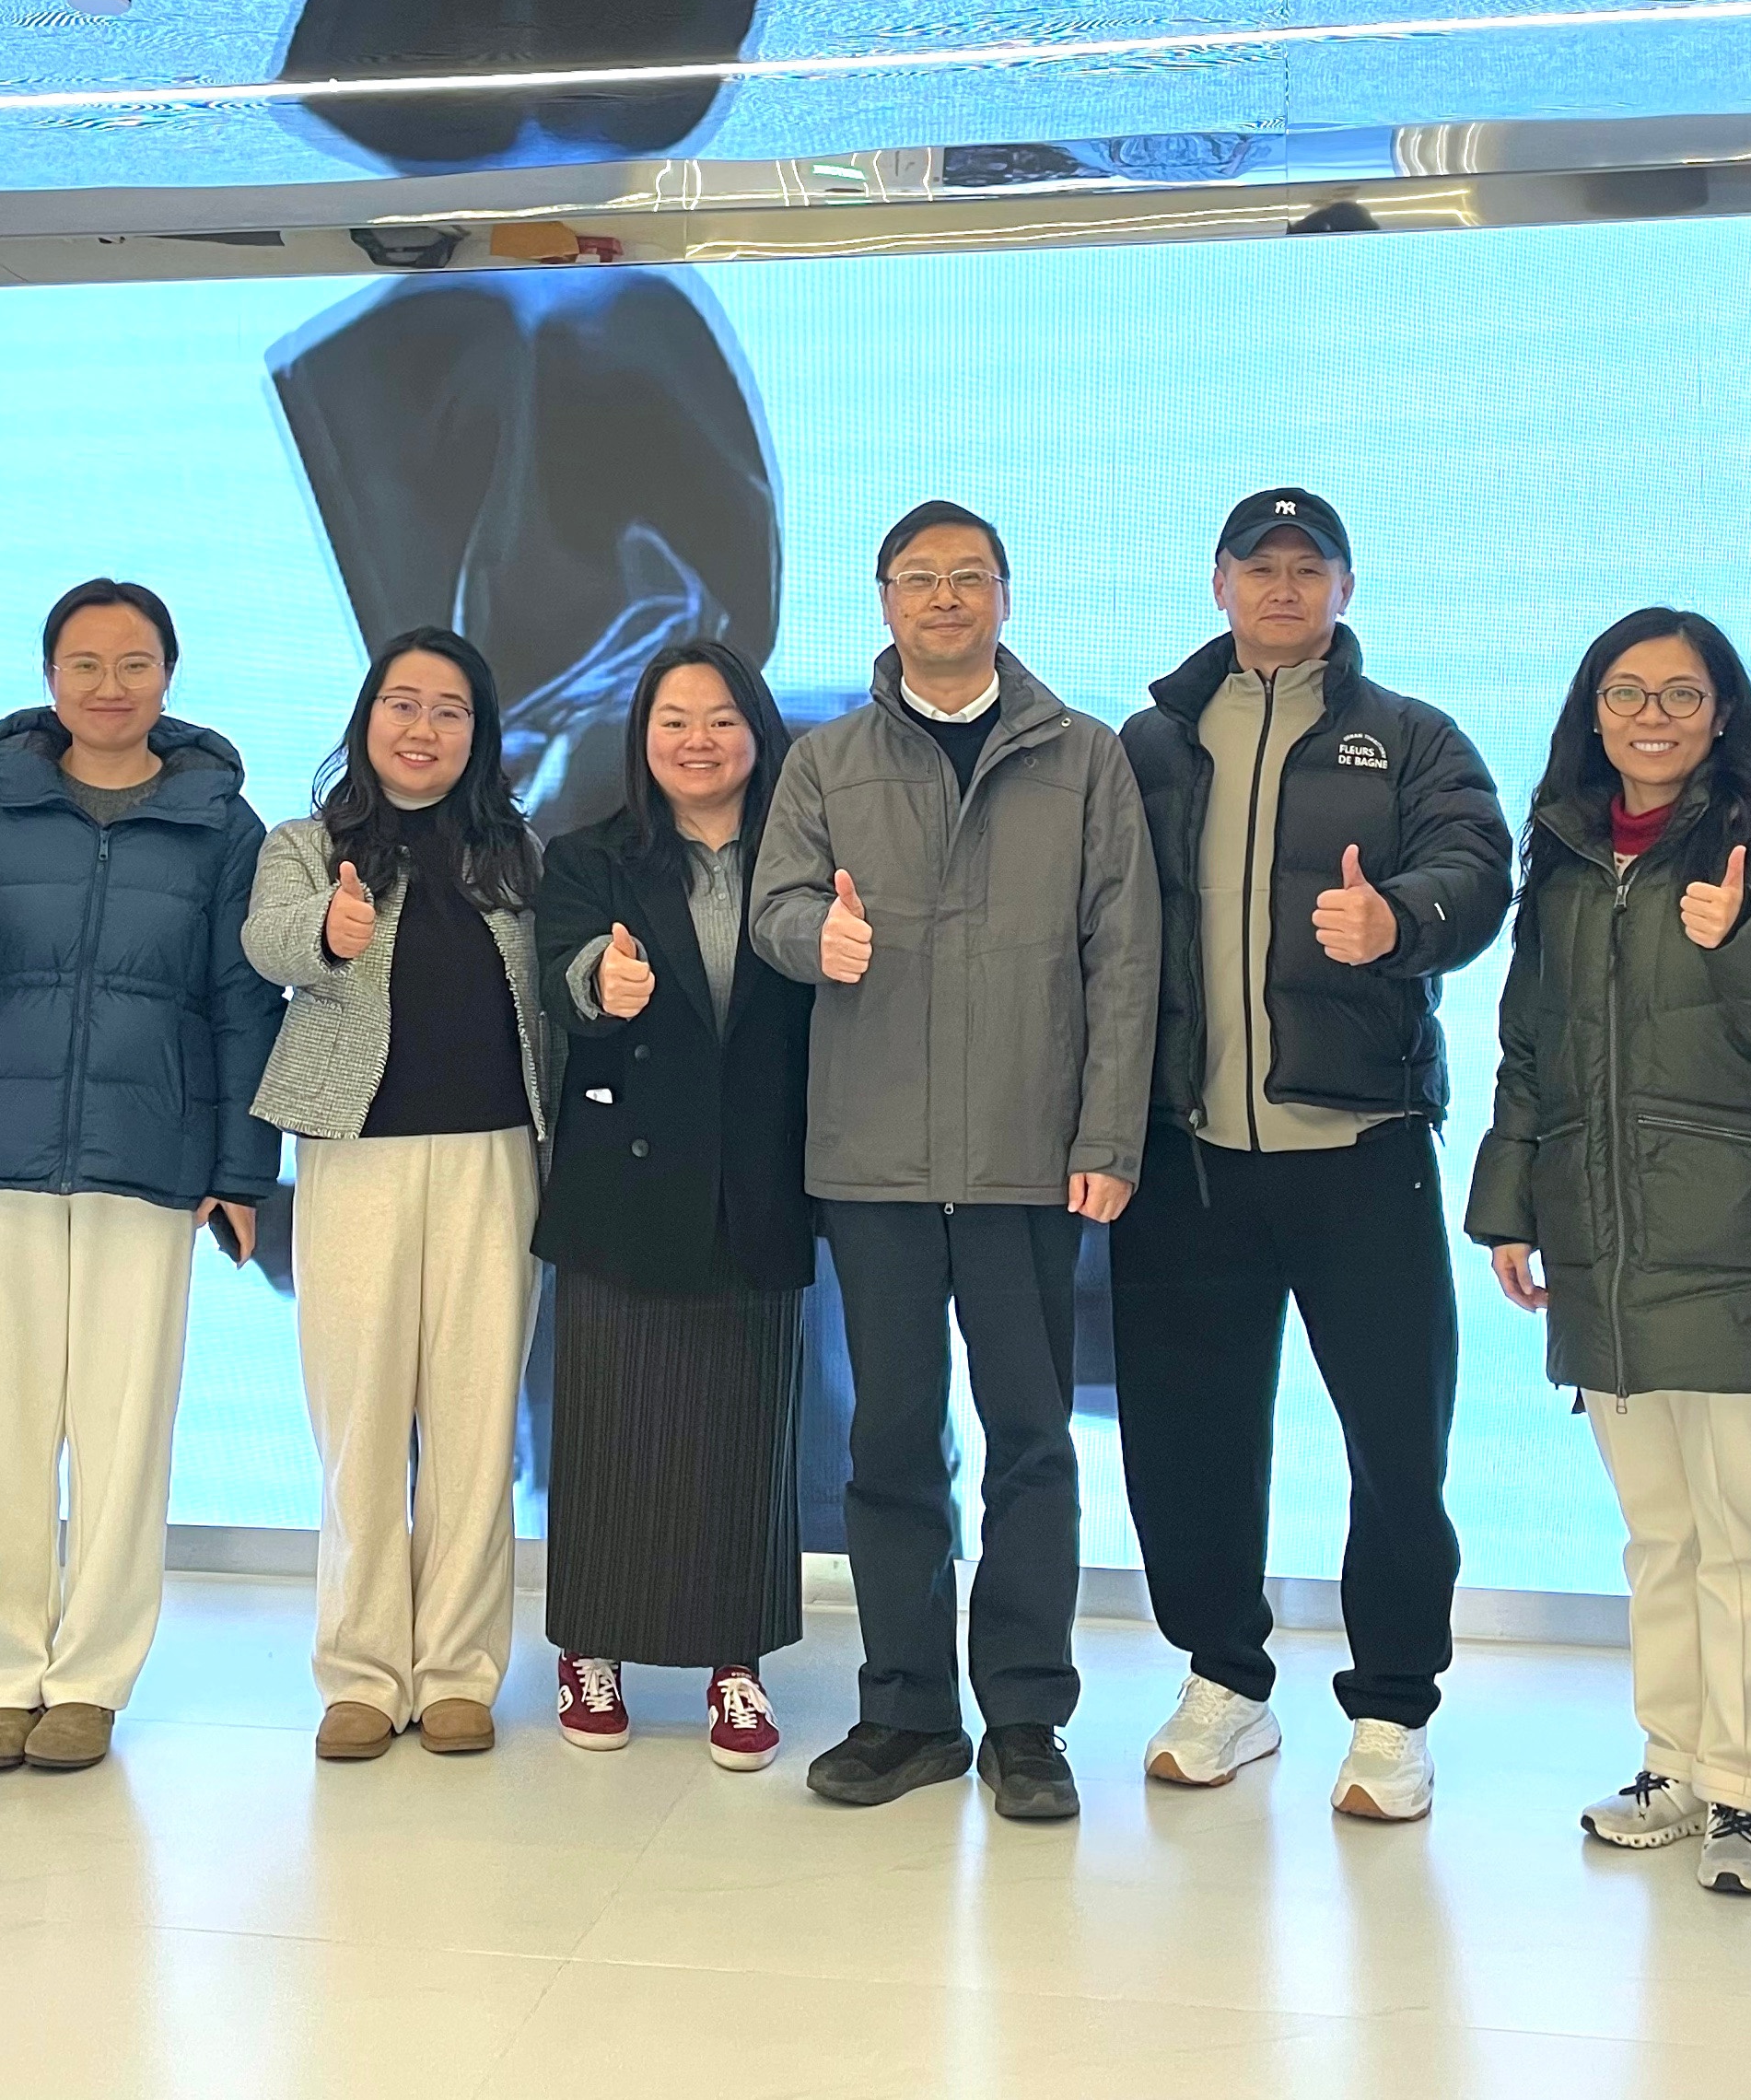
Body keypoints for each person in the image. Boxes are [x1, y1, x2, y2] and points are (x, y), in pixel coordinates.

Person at [753, 498, 1160, 1822]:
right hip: (872, 1157)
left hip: (1026, 1161)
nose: (944, 597)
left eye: (968, 576)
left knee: (1032, 1443)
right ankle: (907, 1710)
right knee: (889, 1442)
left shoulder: (1085, 757)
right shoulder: (827, 761)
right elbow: (773, 905)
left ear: (1004, 595)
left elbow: (1126, 959)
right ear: (884, 601)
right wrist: (817, 936)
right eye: (919, 578)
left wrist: (1106, 1137)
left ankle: (1027, 1717)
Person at [1112, 489, 1512, 1825]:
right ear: (1218, 581)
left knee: (1397, 1442)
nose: (1281, 588)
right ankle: (1224, 1678)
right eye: (1258, 566)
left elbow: (1478, 867)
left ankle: (1393, 1707)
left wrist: (1397, 919)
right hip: (1188, 1155)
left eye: (1307, 567)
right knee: (1189, 1436)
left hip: (1361, 1148)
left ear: (1345, 586)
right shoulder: (1151, 742)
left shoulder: (1410, 737)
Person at [1465, 608, 1751, 1899]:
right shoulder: (1567, 849)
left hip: (1737, 1232)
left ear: (1723, 711)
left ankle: (1745, 1792)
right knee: (1660, 1535)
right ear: (1593, 711)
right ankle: (1673, 1764)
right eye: (1626, 693)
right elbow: (1531, 1042)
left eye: (1681, 695)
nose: (1652, 717)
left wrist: (1735, 935)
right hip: (1601, 1238)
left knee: (1748, 1535)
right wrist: (1511, 1202)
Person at [0, 580, 283, 1776]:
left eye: (135, 663)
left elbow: (243, 1004)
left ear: (169, 675)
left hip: (146, 1159)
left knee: (123, 1429)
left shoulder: (224, 823)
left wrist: (241, 1172)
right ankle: (1, 1679)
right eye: (86, 663)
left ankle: (91, 1681)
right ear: (50, 675)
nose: (111, 686)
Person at [245, 625, 554, 1763]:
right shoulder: (303, 845)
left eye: (449, 711)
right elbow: (267, 942)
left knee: (476, 1419)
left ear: (479, 734)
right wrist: (327, 932)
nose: (423, 728)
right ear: (366, 718)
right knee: (360, 1419)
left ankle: (462, 1669)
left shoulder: (516, 853)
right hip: (353, 1154)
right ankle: (364, 1672)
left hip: (495, 1157)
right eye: (403, 704)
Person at [531, 640, 817, 1770]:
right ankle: (588, 1647)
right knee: (608, 1428)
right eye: (674, 721)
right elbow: (563, 977)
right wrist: (600, 984)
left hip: (759, 1177)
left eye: (721, 719)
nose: (698, 742)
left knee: (744, 1436)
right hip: (625, 1181)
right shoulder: (587, 856)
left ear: (757, 731)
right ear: (641, 738)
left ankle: (734, 1662)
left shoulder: (804, 855)